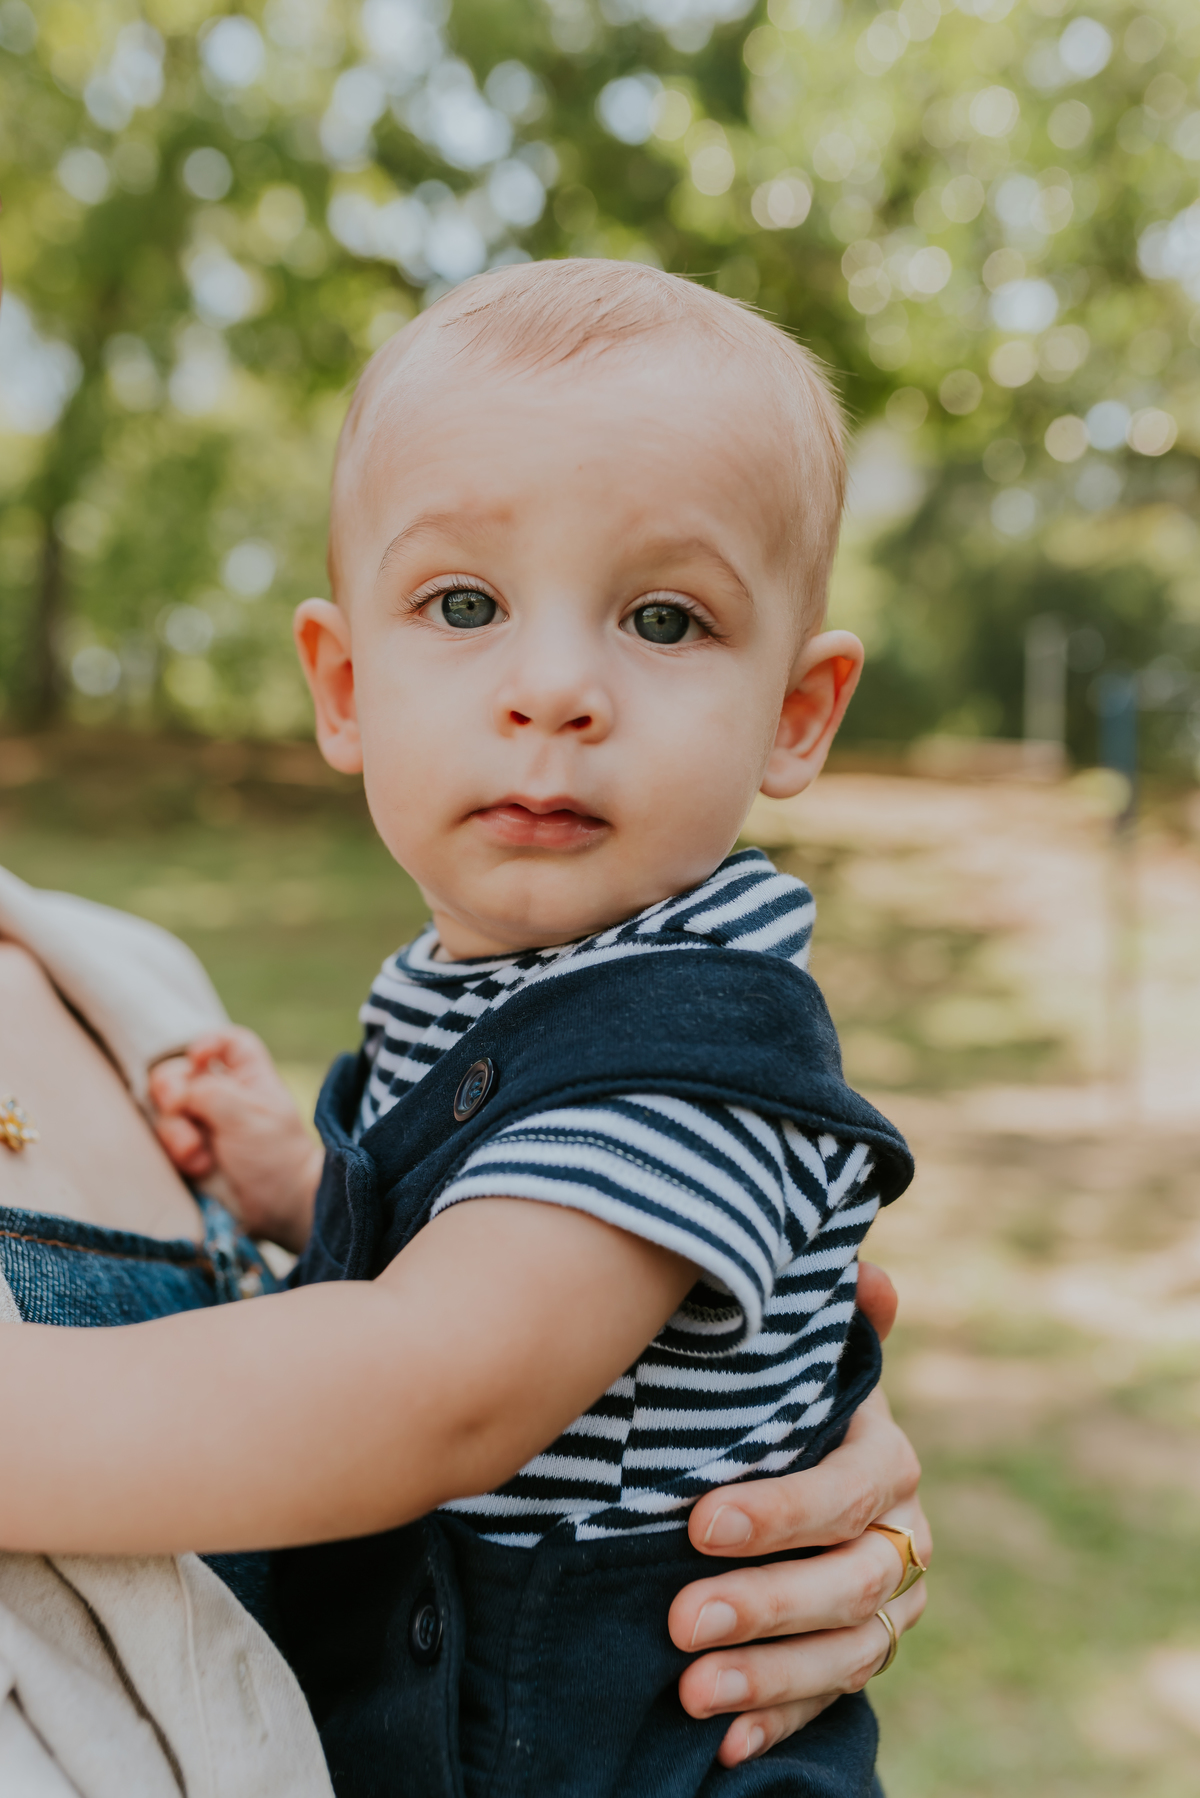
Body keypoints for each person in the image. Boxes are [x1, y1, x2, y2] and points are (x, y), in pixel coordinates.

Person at [0, 259, 928, 1794]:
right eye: (467, 604)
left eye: (664, 616)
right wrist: (317, 1190)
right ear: (345, 682)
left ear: (798, 714)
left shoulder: (700, 1045)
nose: (555, 686)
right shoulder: (497, 985)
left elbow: (439, 1382)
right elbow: (489, 1241)